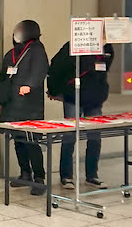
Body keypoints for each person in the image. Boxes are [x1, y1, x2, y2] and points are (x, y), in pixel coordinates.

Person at [48, 39, 114, 189]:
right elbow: (57, 66)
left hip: (95, 99)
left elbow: (104, 70)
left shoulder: (108, 48)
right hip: (73, 96)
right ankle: (66, 176)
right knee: (70, 136)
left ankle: (92, 175)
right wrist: (54, 90)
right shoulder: (75, 44)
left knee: (95, 137)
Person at [0, 20, 49, 195]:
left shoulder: (37, 51)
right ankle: (25, 173)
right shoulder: (10, 54)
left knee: (31, 140)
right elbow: (2, 78)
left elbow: (40, 71)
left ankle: (39, 177)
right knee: (17, 139)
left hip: (29, 104)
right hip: (12, 102)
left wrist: (30, 85)